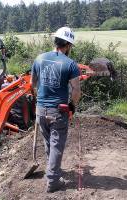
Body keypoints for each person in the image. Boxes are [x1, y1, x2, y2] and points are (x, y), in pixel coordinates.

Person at [30, 27, 81, 193]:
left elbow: (33, 84)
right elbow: (76, 90)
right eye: (70, 46)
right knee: (57, 144)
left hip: (41, 110)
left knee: (48, 142)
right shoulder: (70, 64)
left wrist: (38, 101)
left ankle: (52, 169)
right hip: (58, 111)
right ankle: (52, 181)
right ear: (67, 44)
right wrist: (73, 105)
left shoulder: (39, 58)